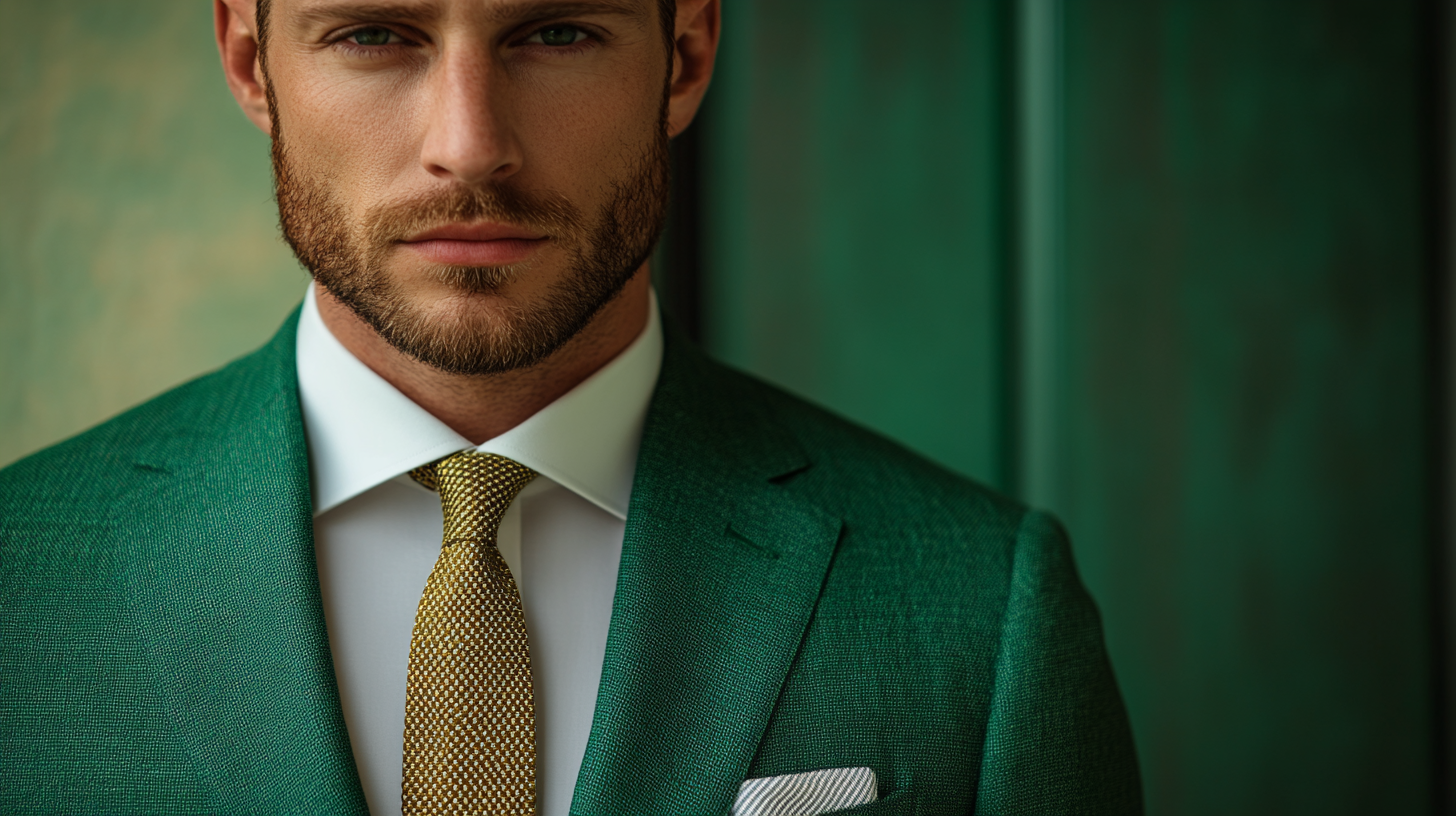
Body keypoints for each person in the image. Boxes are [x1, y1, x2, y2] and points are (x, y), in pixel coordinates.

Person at [0, 0, 1141, 813]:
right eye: (373, 35)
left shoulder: (983, 605)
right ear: (251, 61)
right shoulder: (21, 582)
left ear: (685, 54)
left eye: (555, 33)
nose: (468, 146)